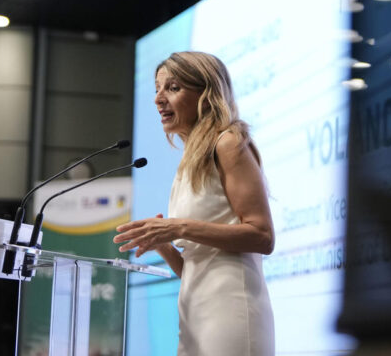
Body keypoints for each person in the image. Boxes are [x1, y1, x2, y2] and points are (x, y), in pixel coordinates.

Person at [113, 51, 275, 356]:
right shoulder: (189, 163)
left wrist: (178, 226)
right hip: (195, 315)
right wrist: (165, 245)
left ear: (206, 94)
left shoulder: (227, 143)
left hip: (231, 313)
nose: (158, 99)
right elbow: (198, 265)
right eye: (157, 90)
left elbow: (263, 236)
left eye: (173, 88)